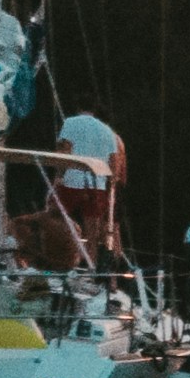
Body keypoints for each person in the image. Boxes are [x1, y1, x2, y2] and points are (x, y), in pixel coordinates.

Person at [48, 105, 125, 266]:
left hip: (72, 181)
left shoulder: (70, 123)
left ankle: (57, 262)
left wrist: (58, 177)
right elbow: (115, 167)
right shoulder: (109, 133)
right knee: (94, 235)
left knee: (55, 219)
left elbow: (65, 151)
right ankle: (94, 270)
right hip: (99, 186)